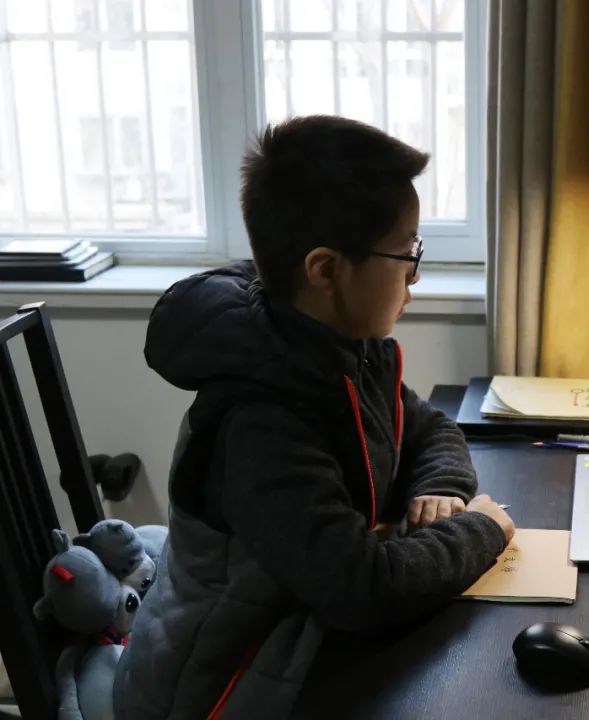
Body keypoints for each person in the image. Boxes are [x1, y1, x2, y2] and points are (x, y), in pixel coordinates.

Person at [115, 116, 515, 719]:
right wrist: (481, 530)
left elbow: (428, 428)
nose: (416, 275)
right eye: (406, 254)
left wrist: (439, 487)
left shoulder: (346, 348)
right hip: (218, 690)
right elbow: (361, 589)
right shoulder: (262, 420)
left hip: (298, 650)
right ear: (325, 270)